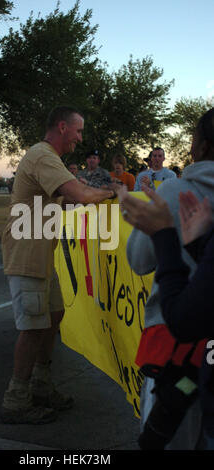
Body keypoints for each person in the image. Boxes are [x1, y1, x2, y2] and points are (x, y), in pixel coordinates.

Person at [1, 106, 117, 425]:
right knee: (32, 326)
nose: (80, 138)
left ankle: (41, 384)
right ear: (63, 127)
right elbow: (78, 195)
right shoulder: (43, 155)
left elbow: (65, 201)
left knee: (53, 316)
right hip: (27, 254)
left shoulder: (50, 161)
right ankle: (16, 399)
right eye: (78, 131)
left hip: (42, 254)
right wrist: (115, 193)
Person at [123, 107, 214, 449]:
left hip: (179, 357)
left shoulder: (176, 192)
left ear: (200, 147)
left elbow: (138, 259)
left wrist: (164, 233)